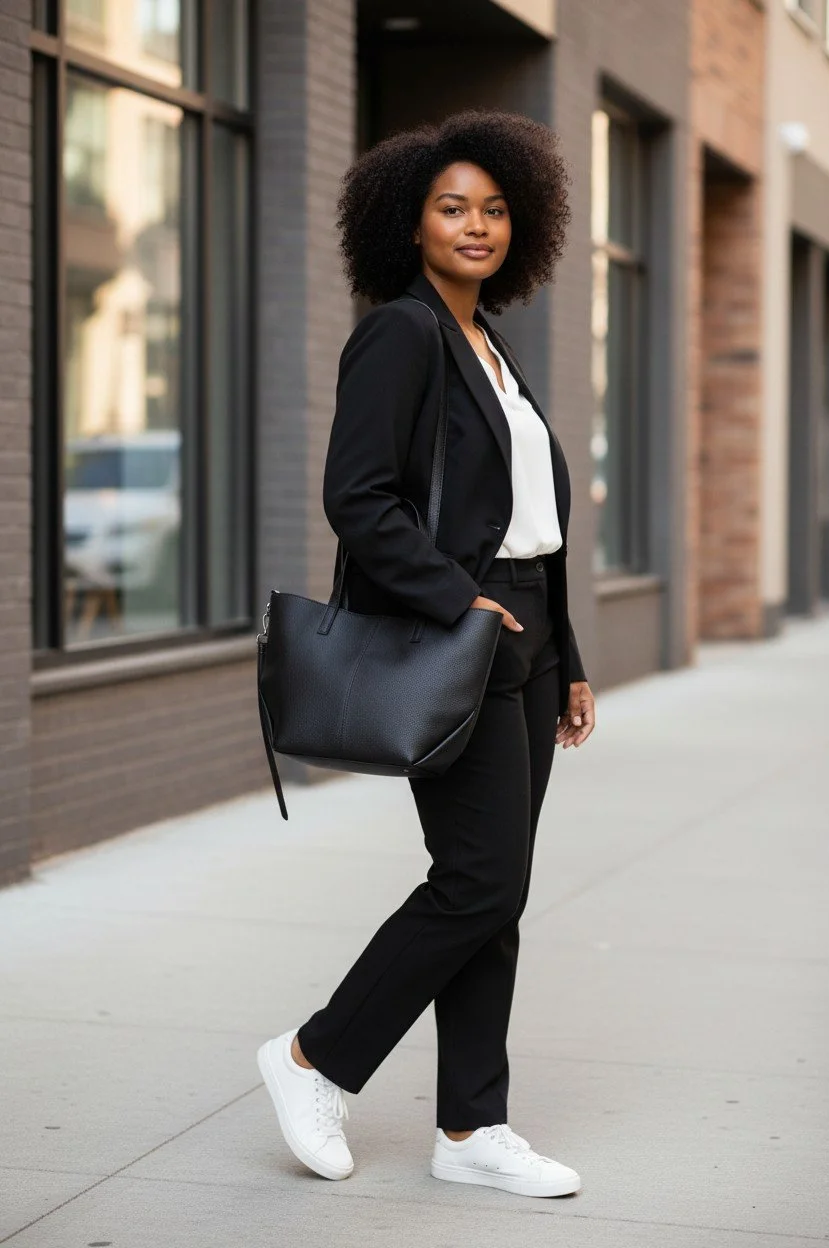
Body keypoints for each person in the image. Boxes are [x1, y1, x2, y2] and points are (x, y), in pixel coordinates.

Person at [256, 108, 596, 1200]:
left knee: (497, 889)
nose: (476, 225)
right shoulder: (401, 334)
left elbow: (532, 518)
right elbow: (357, 497)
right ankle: (315, 1056)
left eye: (494, 209)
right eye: (453, 208)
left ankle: (471, 1130)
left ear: (522, 224)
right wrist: (462, 602)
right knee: (479, 879)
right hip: (464, 627)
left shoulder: (491, 343)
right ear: (410, 224)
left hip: (526, 631)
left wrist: (570, 655)